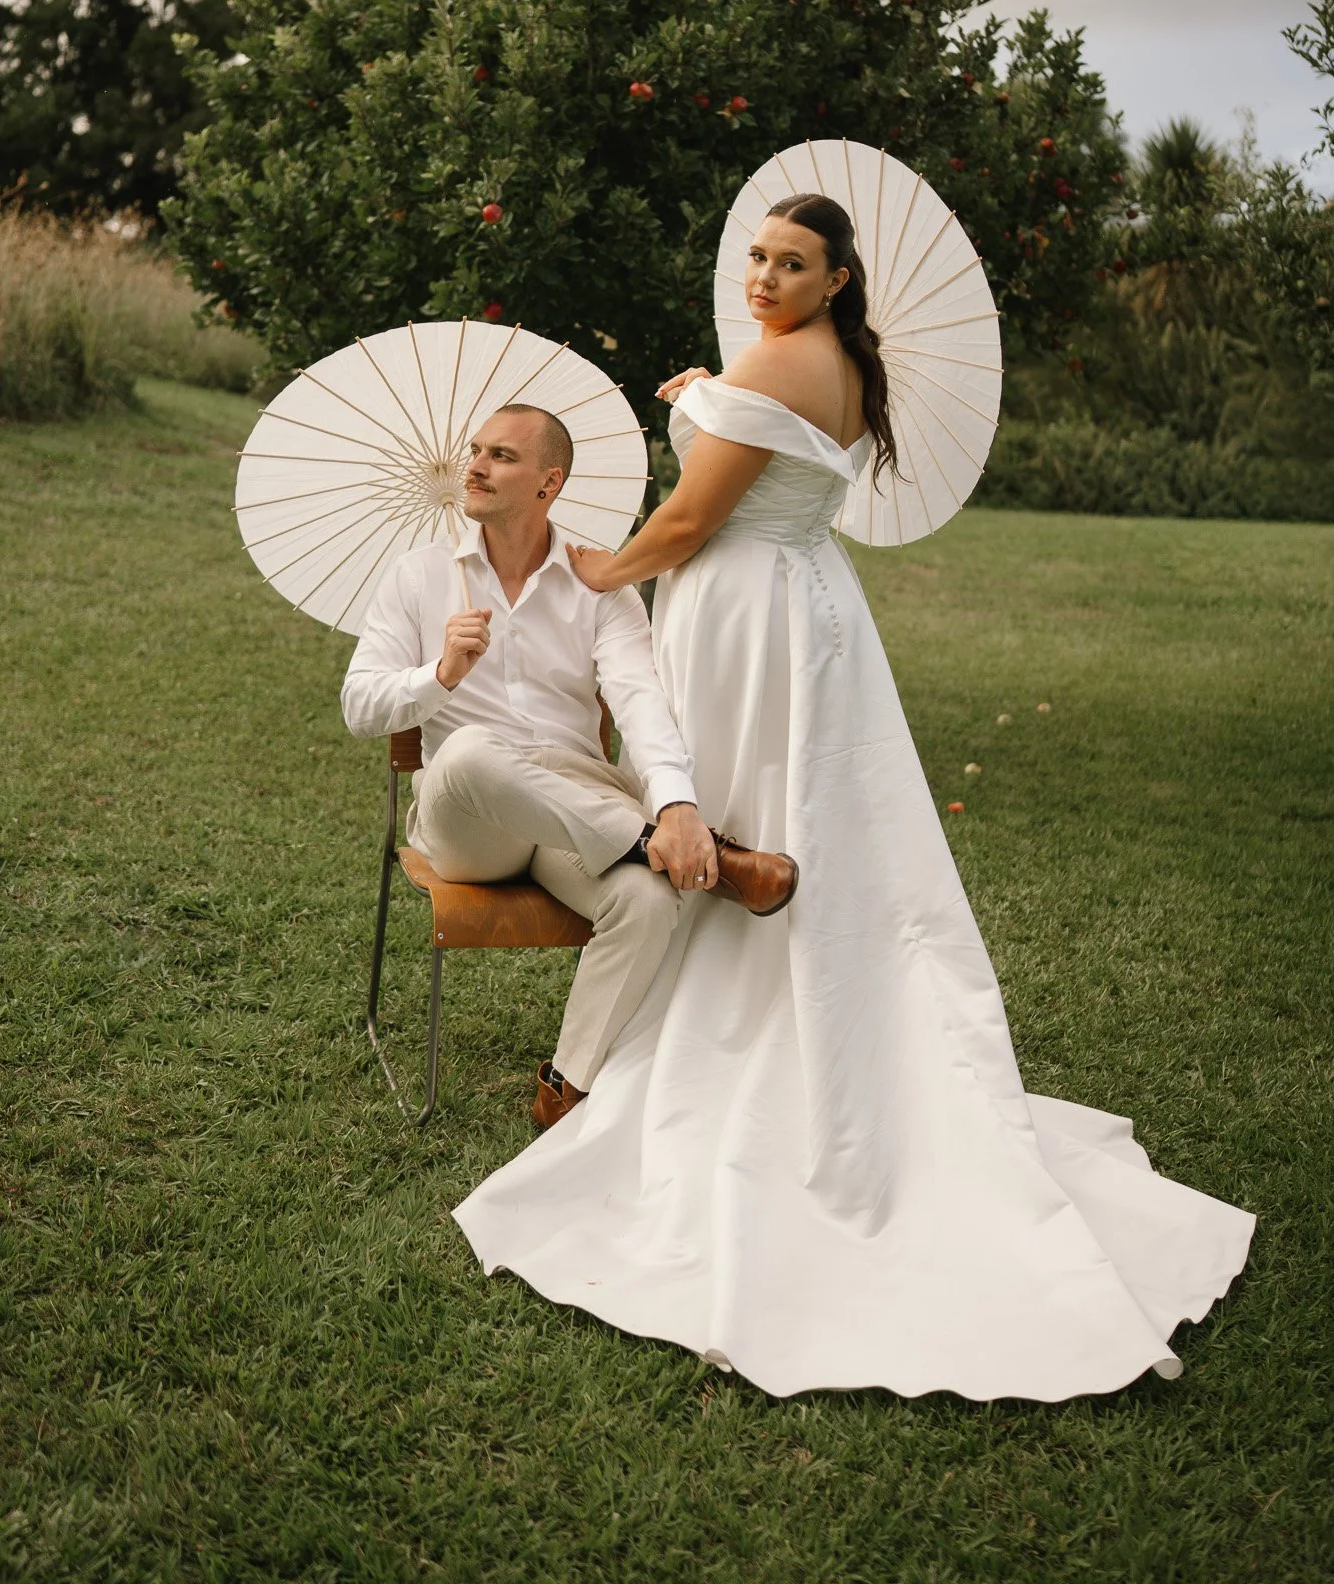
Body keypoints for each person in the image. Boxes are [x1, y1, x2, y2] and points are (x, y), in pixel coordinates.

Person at [453, 196, 1255, 1401]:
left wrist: (601, 566)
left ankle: (734, 1025)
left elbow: (691, 516)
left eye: (793, 263)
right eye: (758, 259)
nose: (767, 276)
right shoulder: (833, 363)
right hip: (807, 611)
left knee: (730, 801)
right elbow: (761, 450)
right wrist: (702, 402)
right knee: (812, 816)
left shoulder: (777, 357)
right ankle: (764, 944)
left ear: (836, 279)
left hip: (742, 615)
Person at [340, 401, 796, 1130]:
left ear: (548, 483)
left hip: (571, 813)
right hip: (469, 824)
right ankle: (667, 849)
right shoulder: (420, 576)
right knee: (468, 750)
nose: (477, 467)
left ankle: (567, 1089)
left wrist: (676, 803)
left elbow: (640, 701)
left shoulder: (597, 583)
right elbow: (359, 708)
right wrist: (440, 675)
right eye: (475, 451)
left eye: (502, 457)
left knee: (646, 901)